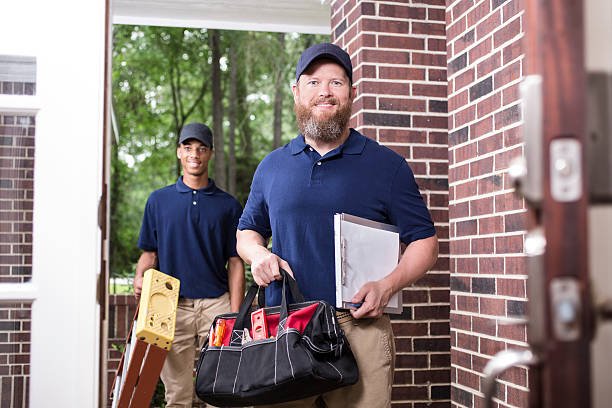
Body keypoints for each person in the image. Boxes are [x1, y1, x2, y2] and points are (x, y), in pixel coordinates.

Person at [236, 43, 438, 407]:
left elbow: (425, 242)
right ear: (296, 92)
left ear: (351, 93)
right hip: (284, 327)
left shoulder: (386, 166)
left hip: (359, 328)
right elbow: (246, 231)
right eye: (313, 82)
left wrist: (387, 285)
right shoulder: (271, 167)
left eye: (336, 82)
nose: (325, 92)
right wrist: (257, 254)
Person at [134, 122, 245, 407]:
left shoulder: (228, 206)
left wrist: (234, 313)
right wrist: (139, 276)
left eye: (201, 148)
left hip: (216, 306)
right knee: (177, 395)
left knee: (221, 392)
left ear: (210, 154)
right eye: (188, 147)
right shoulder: (158, 201)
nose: (194, 153)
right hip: (171, 307)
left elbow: (235, 263)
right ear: (178, 153)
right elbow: (149, 254)